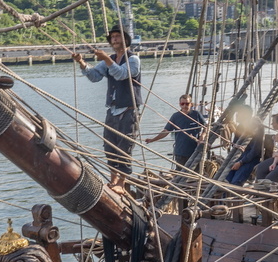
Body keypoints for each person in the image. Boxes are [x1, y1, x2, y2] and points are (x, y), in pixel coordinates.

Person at [72, 25, 142, 191]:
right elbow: (95, 76)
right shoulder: (108, 59)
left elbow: (121, 74)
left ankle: (121, 183)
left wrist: (106, 59)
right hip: (112, 110)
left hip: (128, 110)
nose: (115, 39)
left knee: (124, 147)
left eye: (118, 36)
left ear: (126, 40)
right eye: (113, 37)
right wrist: (81, 63)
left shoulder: (133, 59)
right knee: (109, 146)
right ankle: (113, 179)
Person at [145, 94, 206, 168]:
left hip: (195, 151)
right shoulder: (175, 116)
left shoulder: (196, 114)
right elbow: (166, 131)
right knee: (181, 176)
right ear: (179, 104)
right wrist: (153, 140)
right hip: (180, 152)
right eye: (182, 104)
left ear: (191, 104)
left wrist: (202, 137)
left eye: (187, 104)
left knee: (195, 175)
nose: (184, 106)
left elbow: (206, 127)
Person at [225, 104, 264, 186]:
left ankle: (232, 198)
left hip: (250, 160)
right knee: (225, 180)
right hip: (239, 157)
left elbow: (255, 151)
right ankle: (223, 197)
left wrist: (241, 162)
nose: (237, 115)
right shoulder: (240, 127)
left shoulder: (257, 127)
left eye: (239, 113)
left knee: (235, 183)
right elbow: (235, 144)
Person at [254, 113, 278, 182]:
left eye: (273, 122)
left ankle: (267, 187)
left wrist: (277, 154)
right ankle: (260, 188)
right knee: (260, 168)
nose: (271, 124)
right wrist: (274, 163)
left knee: (269, 178)